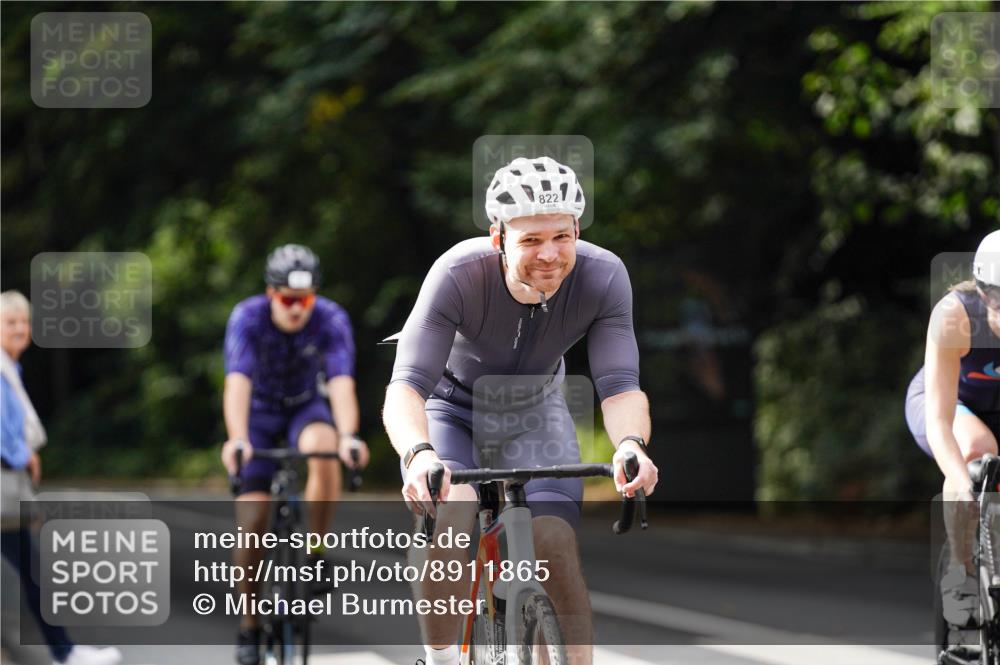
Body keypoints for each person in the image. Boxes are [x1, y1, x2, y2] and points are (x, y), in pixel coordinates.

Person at [383, 156, 659, 665]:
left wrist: (630, 445)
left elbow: (619, 385)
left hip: (536, 410)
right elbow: (407, 386)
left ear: (577, 229)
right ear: (498, 239)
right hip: (452, 409)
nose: (549, 255)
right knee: (453, 516)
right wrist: (419, 453)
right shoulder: (457, 274)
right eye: (531, 240)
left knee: (553, 540)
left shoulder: (604, 277)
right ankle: (441, 658)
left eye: (561, 236)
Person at [218, 245, 369, 665]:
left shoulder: (331, 318)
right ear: (271, 294)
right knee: (252, 522)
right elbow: (237, 383)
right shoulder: (247, 317)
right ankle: (249, 625)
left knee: (324, 447)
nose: (297, 309)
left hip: (305, 406)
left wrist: (350, 436)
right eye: (287, 300)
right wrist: (236, 439)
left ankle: (316, 552)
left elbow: (341, 382)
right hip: (260, 413)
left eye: (305, 300)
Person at [0, 290, 123, 665]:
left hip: (11, 481)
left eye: (25, 322)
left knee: (31, 568)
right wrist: (24, 456)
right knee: (32, 570)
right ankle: (65, 653)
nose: (20, 329)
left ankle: (65, 651)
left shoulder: (10, 369)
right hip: (4, 484)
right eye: (10, 322)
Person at [905, 229, 1000, 627]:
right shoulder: (954, 316)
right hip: (948, 404)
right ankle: (959, 575)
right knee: (978, 451)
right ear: (984, 294)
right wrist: (960, 482)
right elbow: (940, 421)